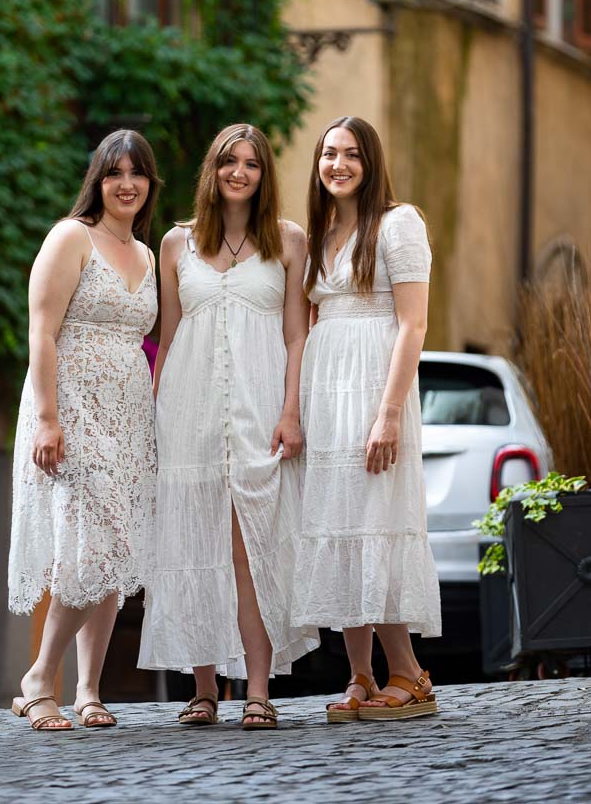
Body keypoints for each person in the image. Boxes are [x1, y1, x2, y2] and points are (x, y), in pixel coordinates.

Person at [138, 123, 319, 729]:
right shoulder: (175, 244)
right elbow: (165, 338)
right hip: (187, 413)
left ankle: (259, 692)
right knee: (194, 545)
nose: (239, 172)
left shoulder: (288, 242)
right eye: (228, 162)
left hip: (260, 410)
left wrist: (291, 410)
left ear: (265, 174)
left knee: (251, 553)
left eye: (252, 163)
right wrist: (153, 418)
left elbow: (297, 334)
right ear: (211, 171)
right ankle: (204, 687)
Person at [8, 130, 161, 731]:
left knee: (118, 551)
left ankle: (90, 690)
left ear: (149, 184)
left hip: (129, 411)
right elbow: (41, 331)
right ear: (97, 180)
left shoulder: (148, 255)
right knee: (99, 540)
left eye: (138, 174)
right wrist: (48, 418)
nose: (126, 184)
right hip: (71, 406)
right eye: (114, 173)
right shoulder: (71, 236)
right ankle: (39, 676)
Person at [292, 116, 441, 722]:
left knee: (377, 523)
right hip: (326, 397)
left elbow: (413, 323)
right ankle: (359, 675)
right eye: (328, 154)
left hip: (375, 393)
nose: (338, 165)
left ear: (370, 161)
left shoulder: (399, 224)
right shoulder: (320, 231)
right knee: (341, 528)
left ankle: (409, 671)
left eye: (351, 154)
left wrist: (388, 414)